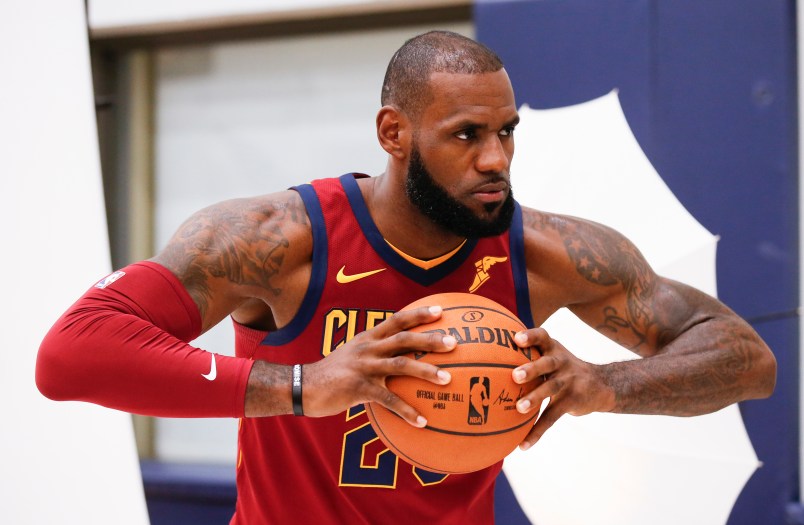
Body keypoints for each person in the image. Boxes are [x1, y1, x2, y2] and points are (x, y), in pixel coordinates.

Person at [36, 30, 776, 524]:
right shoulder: (280, 240)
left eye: (506, 131)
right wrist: (301, 386)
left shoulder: (545, 253)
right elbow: (72, 352)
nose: (496, 159)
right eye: (466, 135)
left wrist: (604, 383)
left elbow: (747, 357)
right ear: (394, 134)